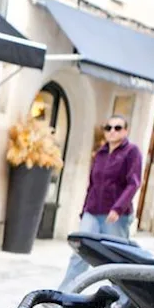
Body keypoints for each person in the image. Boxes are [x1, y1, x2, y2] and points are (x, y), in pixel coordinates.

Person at [61, 114, 142, 289]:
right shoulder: (101, 153)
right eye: (109, 128)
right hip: (92, 211)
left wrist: (118, 208)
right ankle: (66, 292)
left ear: (125, 131)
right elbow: (92, 184)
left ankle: (122, 296)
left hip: (115, 215)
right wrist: (84, 211)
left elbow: (134, 183)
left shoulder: (131, 152)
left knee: (117, 257)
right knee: (80, 251)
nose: (112, 131)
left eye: (117, 128)